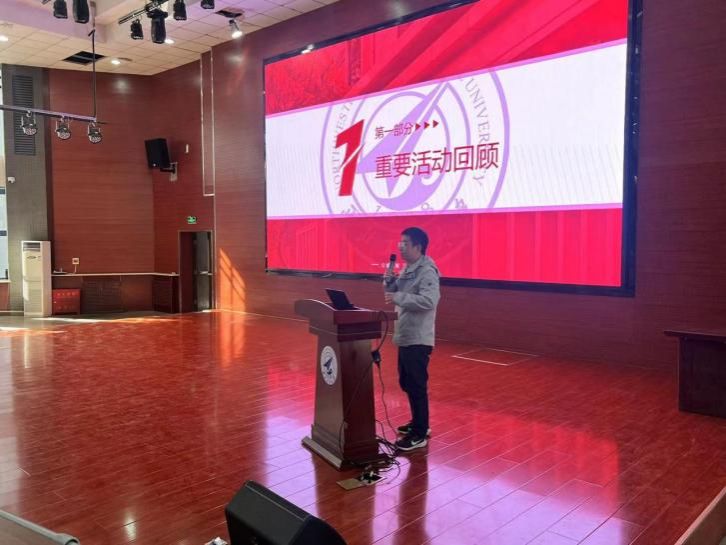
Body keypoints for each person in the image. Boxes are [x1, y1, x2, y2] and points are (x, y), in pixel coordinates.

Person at [384, 227, 440, 451]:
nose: (401, 247)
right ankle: (418, 422)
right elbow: (396, 292)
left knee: (416, 385)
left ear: (418, 246)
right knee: (407, 382)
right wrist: (390, 282)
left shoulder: (427, 271)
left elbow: (429, 301)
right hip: (406, 334)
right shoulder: (409, 268)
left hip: (418, 337)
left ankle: (420, 433)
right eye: (400, 243)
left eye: (405, 243)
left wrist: (398, 296)